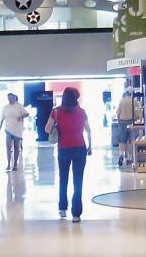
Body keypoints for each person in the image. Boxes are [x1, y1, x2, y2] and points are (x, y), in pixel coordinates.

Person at [45, 87, 92, 222]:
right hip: (79, 148)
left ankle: (62, 208)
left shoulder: (56, 112)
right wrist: (90, 146)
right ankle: (76, 214)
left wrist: (57, 126)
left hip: (63, 149)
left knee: (63, 179)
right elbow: (88, 130)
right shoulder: (82, 112)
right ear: (76, 99)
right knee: (78, 180)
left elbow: (47, 129)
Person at [0, 93, 29, 172]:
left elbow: (27, 113)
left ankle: (15, 163)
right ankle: (8, 164)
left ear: (15, 98)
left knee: (16, 147)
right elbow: (2, 118)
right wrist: (0, 127)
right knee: (8, 147)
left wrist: (21, 116)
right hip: (8, 130)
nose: (10, 99)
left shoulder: (19, 106)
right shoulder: (5, 107)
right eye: (8, 97)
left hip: (17, 130)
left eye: (11, 97)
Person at [115, 89, 135, 167]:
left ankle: (121, 155)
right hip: (131, 122)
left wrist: (119, 121)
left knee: (122, 141)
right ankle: (129, 158)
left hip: (122, 122)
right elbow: (137, 112)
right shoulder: (134, 101)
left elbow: (118, 112)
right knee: (130, 141)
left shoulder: (122, 101)